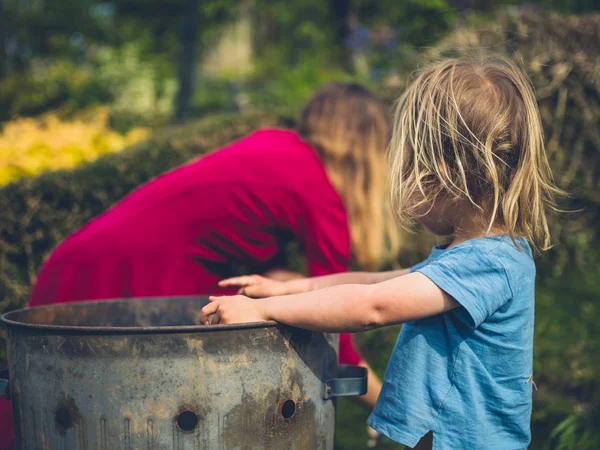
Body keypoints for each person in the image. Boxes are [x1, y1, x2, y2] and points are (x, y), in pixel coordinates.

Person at [0, 83, 399, 450]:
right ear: (367, 149)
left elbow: (251, 249)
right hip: (128, 271)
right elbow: (334, 321)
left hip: (94, 254)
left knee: (66, 409)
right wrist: (389, 410)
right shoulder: (319, 193)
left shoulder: (276, 146)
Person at [201, 56, 561, 449]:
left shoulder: (488, 264)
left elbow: (373, 306)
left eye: (407, 169)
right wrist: (291, 289)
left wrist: (263, 311)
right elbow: (373, 282)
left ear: (442, 173)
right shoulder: (471, 257)